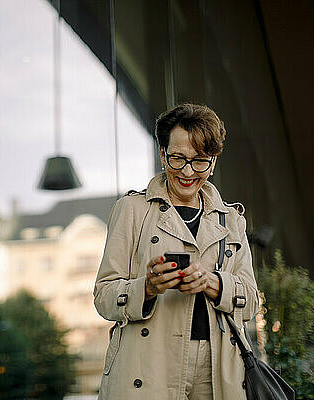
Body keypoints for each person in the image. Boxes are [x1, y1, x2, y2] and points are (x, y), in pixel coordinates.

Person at [94, 104, 259, 400]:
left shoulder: (231, 219)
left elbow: (251, 302)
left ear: (214, 160)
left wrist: (213, 283)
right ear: (161, 153)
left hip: (217, 367)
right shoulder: (132, 210)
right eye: (177, 158)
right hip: (147, 364)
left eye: (200, 162)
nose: (187, 171)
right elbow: (103, 297)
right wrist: (146, 287)